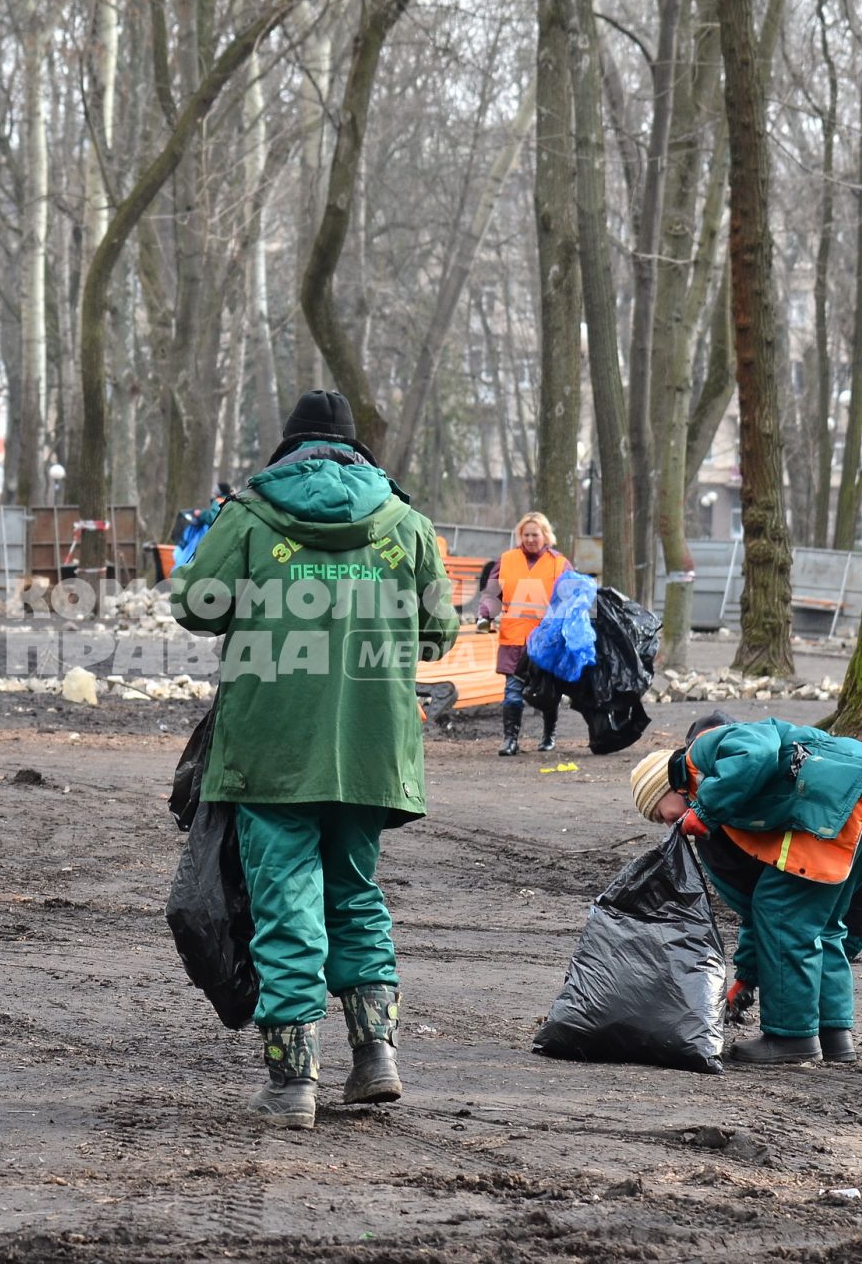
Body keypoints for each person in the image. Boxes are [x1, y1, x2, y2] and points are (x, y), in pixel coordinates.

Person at [171, 389, 460, 1128]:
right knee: (355, 892)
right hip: (371, 747)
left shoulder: (251, 514)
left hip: (271, 745)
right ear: (358, 452)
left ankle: (292, 1082)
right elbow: (438, 635)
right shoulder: (407, 524)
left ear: (288, 450)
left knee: (286, 906)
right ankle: (376, 1058)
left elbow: (195, 605)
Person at [629, 716, 862, 1065]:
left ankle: (790, 1038)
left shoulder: (700, 754)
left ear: (665, 788)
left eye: (661, 815)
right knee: (820, 922)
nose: (671, 826)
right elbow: (755, 899)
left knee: (783, 911)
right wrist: (746, 977)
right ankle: (834, 1037)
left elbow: (757, 751)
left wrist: (705, 808)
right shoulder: (735, 810)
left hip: (842, 798)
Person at [476, 512, 571, 755]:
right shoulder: (507, 560)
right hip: (514, 638)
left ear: (545, 536)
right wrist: (484, 616)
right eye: (526, 534)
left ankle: (549, 735)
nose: (530, 539)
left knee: (549, 693)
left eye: (535, 534)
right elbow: (492, 593)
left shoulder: (559, 563)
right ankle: (510, 740)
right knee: (512, 691)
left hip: (546, 641)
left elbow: (570, 599)